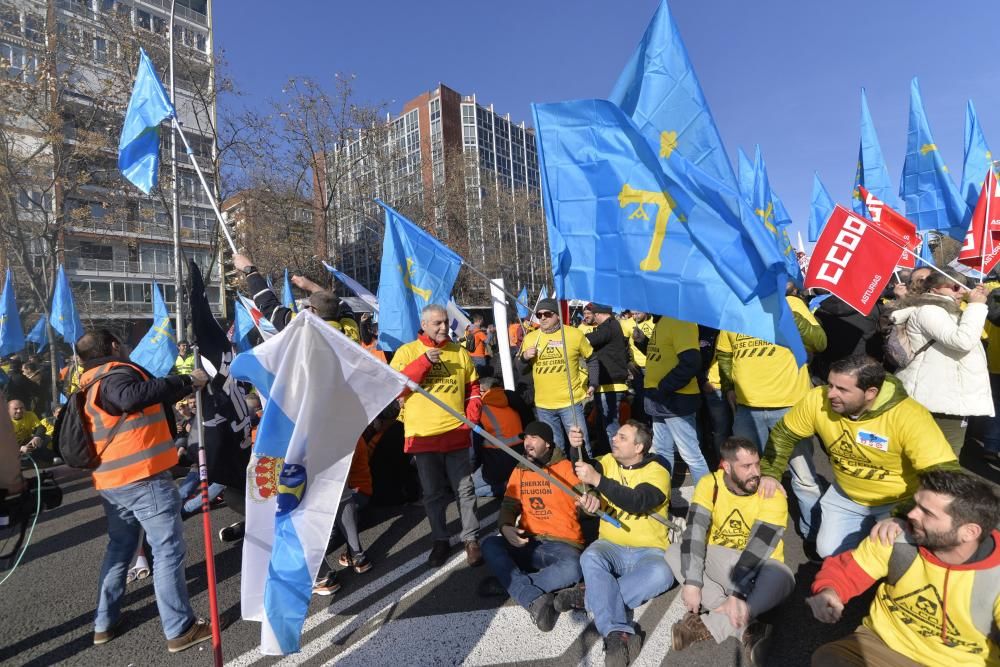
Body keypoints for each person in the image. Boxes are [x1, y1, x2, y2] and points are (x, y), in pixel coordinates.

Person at [76, 329, 213, 652]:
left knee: (120, 549)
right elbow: (129, 397)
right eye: (122, 344)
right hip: (143, 477)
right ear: (112, 346)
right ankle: (181, 629)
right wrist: (186, 381)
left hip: (112, 481)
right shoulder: (115, 375)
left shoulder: (87, 383)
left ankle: (104, 624)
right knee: (167, 551)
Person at [760, 353, 960, 558]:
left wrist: (904, 513)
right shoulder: (817, 399)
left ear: (870, 392)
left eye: (842, 389)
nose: (830, 394)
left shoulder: (909, 415)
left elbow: (945, 473)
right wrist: (770, 473)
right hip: (847, 495)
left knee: (899, 556)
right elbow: (784, 434)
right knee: (828, 552)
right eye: (830, 385)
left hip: (897, 501)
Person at [809, 469, 1000, 667]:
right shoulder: (897, 538)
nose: (910, 514)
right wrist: (830, 591)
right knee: (829, 658)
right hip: (882, 645)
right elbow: (846, 570)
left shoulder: (995, 577)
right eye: (916, 504)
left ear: (969, 532)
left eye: (927, 512)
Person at [666, 437, 793, 665]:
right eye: (746, 466)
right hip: (721, 562)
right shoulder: (710, 484)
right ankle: (747, 628)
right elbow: (695, 531)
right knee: (674, 551)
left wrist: (737, 593)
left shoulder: (772, 493)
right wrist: (693, 582)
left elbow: (758, 549)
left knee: (783, 576)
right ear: (726, 466)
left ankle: (708, 624)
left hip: (759, 571)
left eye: (757, 464)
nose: (755, 472)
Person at [563, 422, 674, 667]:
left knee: (664, 573)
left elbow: (637, 501)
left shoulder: (658, 469)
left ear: (639, 447)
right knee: (590, 557)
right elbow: (582, 468)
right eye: (615, 434)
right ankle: (616, 633)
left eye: (622, 437)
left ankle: (589, 596)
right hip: (610, 545)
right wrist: (575, 448)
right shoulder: (607, 461)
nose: (614, 438)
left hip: (650, 551)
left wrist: (598, 481)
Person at [391, 304, 483, 567]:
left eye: (445, 323)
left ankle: (471, 539)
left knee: (465, 490)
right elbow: (396, 388)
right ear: (424, 324)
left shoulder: (459, 352)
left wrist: (471, 419)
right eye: (437, 324)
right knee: (432, 494)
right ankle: (441, 540)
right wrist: (423, 363)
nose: (444, 328)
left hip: (456, 433)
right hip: (422, 436)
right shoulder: (407, 352)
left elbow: (473, 388)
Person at [479, 421, 588, 631]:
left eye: (533, 438)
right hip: (529, 541)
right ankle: (530, 592)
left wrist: (590, 501)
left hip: (562, 545)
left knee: (574, 567)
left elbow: (589, 499)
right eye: (526, 437)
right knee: (490, 544)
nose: (527, 442)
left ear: (547, 444)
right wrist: (506, 527)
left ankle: (513, 586)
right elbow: (509, 505)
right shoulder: (520, 469)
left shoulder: (566, 468)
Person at [890, 273, 991, 454]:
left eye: (963, 285)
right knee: (943, 455)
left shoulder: (949, 310)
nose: (961, 291)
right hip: (936, 396)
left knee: (942, 454)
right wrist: (976, 306)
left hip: (946, 395)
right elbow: (962, 341)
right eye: (954, 286)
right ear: (934, 288)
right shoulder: (929, 310)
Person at [637, 315, 709, 484]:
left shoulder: (681, 320)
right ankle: (663, 494)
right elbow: (662, 354)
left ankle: (706, 501)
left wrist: (664, 387)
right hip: (659, 400)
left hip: (675, 400)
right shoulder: (662, 322)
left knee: (690, 454)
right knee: (662, 451)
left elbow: (691, 362)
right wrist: (642, 342)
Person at [519, 298, 594, 457]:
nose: (543, 318)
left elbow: (592, 358)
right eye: (539, 315)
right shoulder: (531, 338)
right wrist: (524, 357)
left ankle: (586, 480)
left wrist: (593, 383)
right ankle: (562, 479)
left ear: (558, 315)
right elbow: (520, 369)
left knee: (582, 446)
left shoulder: (574, 334)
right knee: (554, 449)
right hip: (544, 405)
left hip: (570, 402)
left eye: (547, 314)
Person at [584, 303, 630, 457]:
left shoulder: (608, 327)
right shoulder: (611, 326)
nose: (590, 317)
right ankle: (605, 457)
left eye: (592, 314)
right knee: (602, 426)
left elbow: (590, 339)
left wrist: (575, 337)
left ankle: (620, 459)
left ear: (598, 314)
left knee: (611, 427)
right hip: (605, 384)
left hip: (611, 384)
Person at [472, 377, 526, 498]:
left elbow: (475, 449)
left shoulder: (481, 411)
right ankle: (511, 485)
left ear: (483, 390)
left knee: (465, 488)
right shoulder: (511, 403)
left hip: (498, 463)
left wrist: (471, 469)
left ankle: (506, 488)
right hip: (518, 460)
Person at [8, 399, 52, 464]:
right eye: (15, 409)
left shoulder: (30, 415)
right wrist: (19, 449)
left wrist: (37, 437)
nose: (19, 411)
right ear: (8, 410)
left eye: (21, 408)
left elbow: (41, 428)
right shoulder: (4, 420)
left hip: (26, 443)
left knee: (46, 438)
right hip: (10, 447)